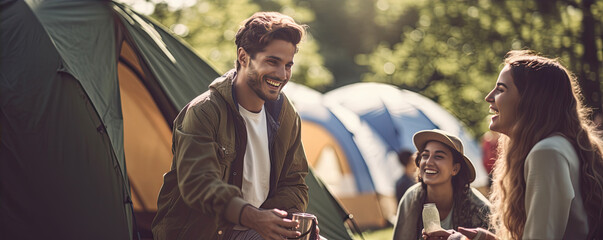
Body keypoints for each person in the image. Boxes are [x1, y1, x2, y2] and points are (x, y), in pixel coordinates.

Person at [151, 12, 312, 240]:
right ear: (243, 57)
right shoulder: (204, 111)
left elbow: (295, 181)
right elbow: (200, 185)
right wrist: (254, 217)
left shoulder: (285, 115)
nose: (281, 74)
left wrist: (285, 219)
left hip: (255, 229)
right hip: (203, 234)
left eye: (288, 65)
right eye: (272, 62)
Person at [425, 50, 603, 240]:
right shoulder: (561, 146)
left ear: (531, 100)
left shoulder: (547, 153)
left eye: (501, 89)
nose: (489, 97)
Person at [392, 129, 491, 240]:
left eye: (438, 156)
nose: (428, 162)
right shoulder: (412, 198)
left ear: (455, 168)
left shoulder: (479, 208)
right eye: (425, 155)